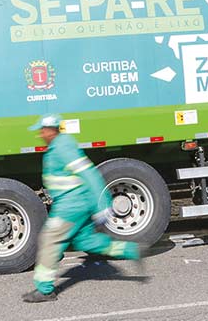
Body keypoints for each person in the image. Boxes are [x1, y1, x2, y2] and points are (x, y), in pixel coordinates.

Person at [23, 114, 143, 303]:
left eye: (42, 130)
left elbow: (89, 173)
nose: (40, 134)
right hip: (75, 203)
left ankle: (44, 290)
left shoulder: (63, 147)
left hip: (71, 205)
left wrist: (103, 205)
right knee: (86, 241)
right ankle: (132, 250)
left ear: (51, 130)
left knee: (50, 240)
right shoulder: (58, 146)